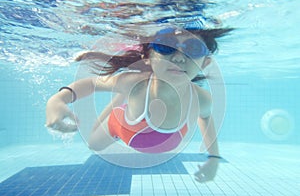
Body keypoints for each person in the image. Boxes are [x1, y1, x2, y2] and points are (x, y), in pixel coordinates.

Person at [46, 24, 233, 183]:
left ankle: (120, 97)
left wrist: (214, 157)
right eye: (166, 46)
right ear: (148, 56)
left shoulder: (201, 99)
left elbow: (206, 117)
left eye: (193, 49)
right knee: (93, 145)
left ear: (206, 62)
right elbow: (91, 84)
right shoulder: (135, 84)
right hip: (123, 127)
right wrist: (57, 100)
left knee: (123, 93)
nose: (179, 57)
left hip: (162, 138)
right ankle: (117, 107)